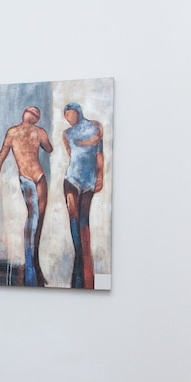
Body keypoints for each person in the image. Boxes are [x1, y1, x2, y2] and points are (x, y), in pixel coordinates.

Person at [0, 106, 53, 286]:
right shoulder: (13, 132)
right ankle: (30, 267)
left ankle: (35, 264)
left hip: (39, 177)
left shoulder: (38, 132)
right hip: (27, 178)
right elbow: (0, 159)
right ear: (24, 113)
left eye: (36, 113)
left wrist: (42, 136)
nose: (32, 114)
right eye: (30, 111)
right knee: (32, 219)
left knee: (39, 220)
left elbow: (49, 149)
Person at [61, 102, 105, 289]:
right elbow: (71, 154)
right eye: (65, 116)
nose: (68, 118)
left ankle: (85, 274)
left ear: (77, 112)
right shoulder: (66, 133)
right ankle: (78, 269)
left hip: (89, 181)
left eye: (69, 114)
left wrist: (100, 176)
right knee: (73, 220)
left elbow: (99, 154)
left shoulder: (95, 127)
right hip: (71, 180)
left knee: (84, 223)